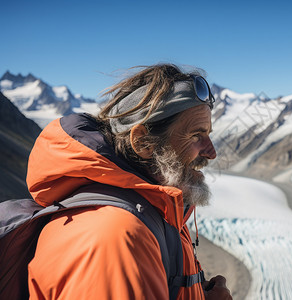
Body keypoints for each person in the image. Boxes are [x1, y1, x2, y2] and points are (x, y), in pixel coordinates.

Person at [26, 64, 233, 299]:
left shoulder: (158, 209)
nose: (211, 152)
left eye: (208, 134)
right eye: (196, 135)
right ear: (144, 143)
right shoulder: (118, 238)